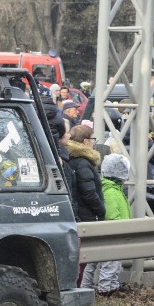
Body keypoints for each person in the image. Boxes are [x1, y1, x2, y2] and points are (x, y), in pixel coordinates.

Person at [82, 154, 131, 297]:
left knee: (95, 262)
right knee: (111, 262)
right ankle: (105, 289)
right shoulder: (111, 191)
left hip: (107, 231)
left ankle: (91, 287)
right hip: (112, 233)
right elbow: (112, 214)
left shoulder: (110, 189)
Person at [67, 124, 105, 223]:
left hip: (80, 214)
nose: (94, 142)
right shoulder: (83, 163)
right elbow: (89, 193)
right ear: (85, 141)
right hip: (88, 216)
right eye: (93, 139)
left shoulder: (71, 158)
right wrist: (101, 210)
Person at [57, 125, 79, 221]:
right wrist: (75, 218)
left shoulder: (64, 158)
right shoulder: (62, 162)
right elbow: (69, 195)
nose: (70, 135)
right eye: (67, 132)